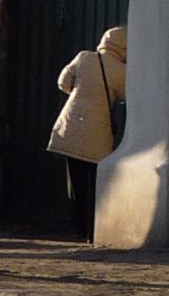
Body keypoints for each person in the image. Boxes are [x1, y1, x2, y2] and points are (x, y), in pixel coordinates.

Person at [48, 25, 125, 235]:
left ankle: (78, 227)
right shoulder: (121, 71)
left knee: (76, 182)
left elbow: (62, 82)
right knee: (96, 183)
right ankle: (93, 229)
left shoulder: (83, 58)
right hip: (98, 132)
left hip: (70, 125)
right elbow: (126, 96)